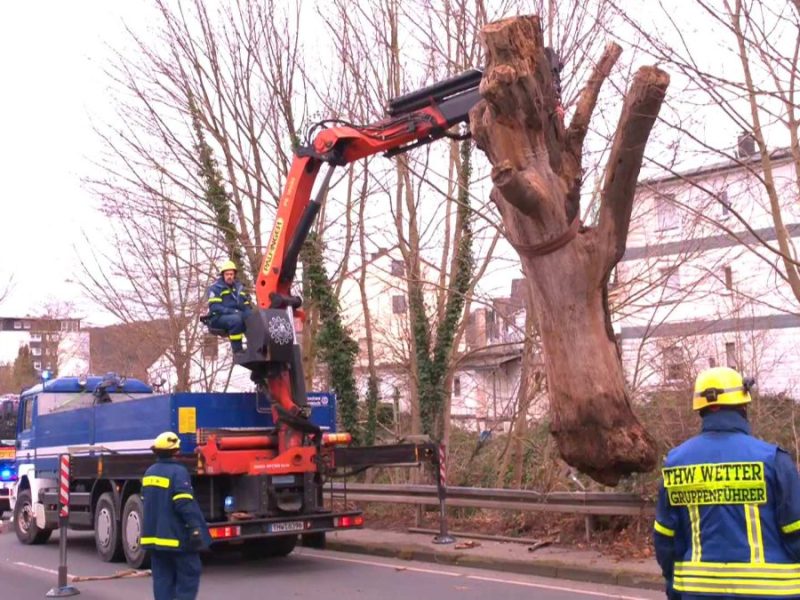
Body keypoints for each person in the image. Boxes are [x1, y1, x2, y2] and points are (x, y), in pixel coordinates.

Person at [653, 366, 800, 599]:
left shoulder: (675, 462)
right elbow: (796, 531)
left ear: (701, 409)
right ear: (743, 406)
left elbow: (666, 538)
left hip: (697, 593)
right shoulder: (773, 460)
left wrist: (674, 583)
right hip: (772, 593)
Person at [141, 431, 211, 600]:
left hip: (155, 540)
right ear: (176, 451)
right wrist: (196, 529)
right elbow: (185, 504)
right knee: (188, 577)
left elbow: (146, 501)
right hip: (177, 538)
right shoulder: (178, 472)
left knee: (162, 580)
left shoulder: (149, 472)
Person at [206, 260, 252, 353]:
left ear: (234, 274)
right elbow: (215, 307)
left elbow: (245, 305)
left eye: (231, 274)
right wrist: (232, 311)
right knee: (235, 320)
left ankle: (254, 347)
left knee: (252, 318)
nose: (229, 276)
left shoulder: (239, 288)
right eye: (227, 274)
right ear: (223, 275)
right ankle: (237, 350)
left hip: (235, 314)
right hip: (217, 317)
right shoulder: (216, 288)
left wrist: (250, 315)